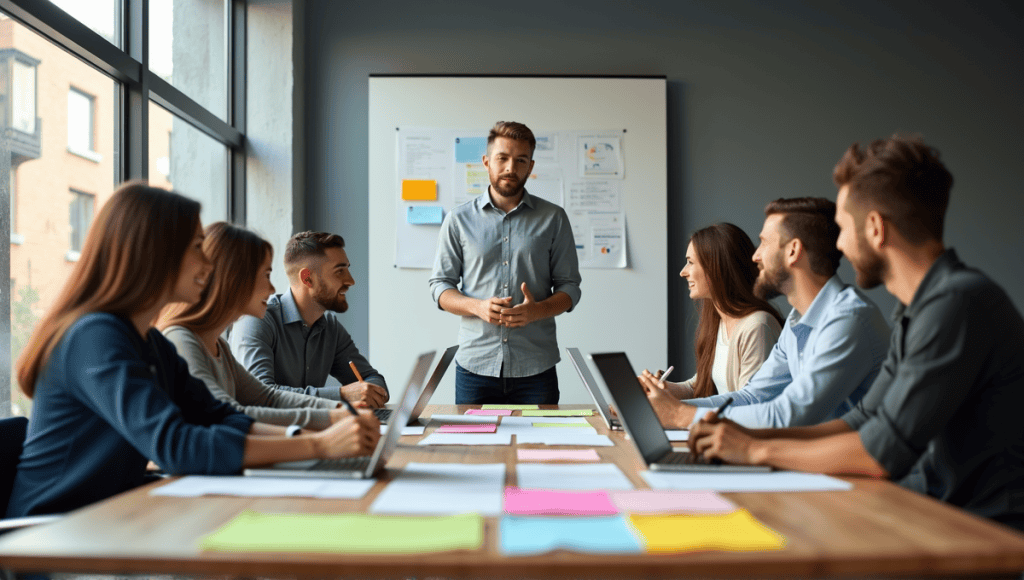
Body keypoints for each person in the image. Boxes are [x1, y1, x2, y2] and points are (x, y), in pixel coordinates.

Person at [688, 136, 1024, 530]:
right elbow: (865, 417)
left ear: (876, 229)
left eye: (843, 229)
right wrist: (740, 434)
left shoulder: (957, 304)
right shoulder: (919, 308)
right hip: (931, 508)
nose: (840, 247)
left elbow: (882, 452)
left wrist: (757, 449)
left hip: (978, 529)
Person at [7, 183, 380, 518]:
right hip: (55, 533)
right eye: (197, 249)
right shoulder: (95, 337)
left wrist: (310, 437)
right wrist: (319, 445)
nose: (208, 265)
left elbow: (218, 415)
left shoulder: (149, 342)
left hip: (109, 515)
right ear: (154, 254)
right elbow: (175, 444)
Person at [641, 198, 890, 428]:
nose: (755, 255)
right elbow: (753, 397)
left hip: (853, 471)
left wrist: (679, 415)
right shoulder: (796, 322)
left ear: (793, 251)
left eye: (764, 242)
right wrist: (669, 409)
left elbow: (788, 413)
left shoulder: (847, 320)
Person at [429, 121, 582, 404]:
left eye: (520, 160)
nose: (511, 167)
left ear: (530, 166)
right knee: (472, 449)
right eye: (502, 158)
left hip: (537, 369)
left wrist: (537, 311)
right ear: (487, 162)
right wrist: (476, 306)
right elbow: (440, 286)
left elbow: (570, 289)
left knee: (538, 447)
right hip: (475, 367)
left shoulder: (554, 218)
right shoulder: (458, 220)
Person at [160, 222, 355, 430]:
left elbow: (268, 397)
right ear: (234, 279)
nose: (272, 289)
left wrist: (339, 409)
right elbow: (228, 414)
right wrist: (333, 419)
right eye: (266, 275)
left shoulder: (219, 347)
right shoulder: (180, 340)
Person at [229, 231, 388, 408]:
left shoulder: (330, 328)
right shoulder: (257, 320)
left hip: (310, 428)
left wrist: (370, 391)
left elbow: (372, 379)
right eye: (339, 271)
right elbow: (260, 396)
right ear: (307, 278)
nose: (351, 281)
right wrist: (341, 395)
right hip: (267, 433)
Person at [645, 223, 783, 399]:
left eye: (690, 262)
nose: (682, 272)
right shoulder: (719, 319)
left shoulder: (757, 326)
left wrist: (673, 410)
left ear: (717, 267)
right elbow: (700, 385)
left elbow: (750, 403)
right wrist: (659, 388)